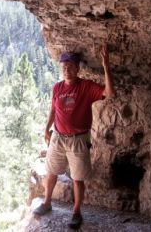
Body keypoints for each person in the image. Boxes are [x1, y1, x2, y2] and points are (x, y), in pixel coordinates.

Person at [33, 45, 115, 229]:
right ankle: (47, 202)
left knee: (77, 178)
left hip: (78, 139)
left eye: (70, 67)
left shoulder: (85, 87)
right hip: (58, 137)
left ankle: (77, 212)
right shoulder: (57, 88)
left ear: (78, 68)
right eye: (63, 67)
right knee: (52, 171)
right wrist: (47, 128)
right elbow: (53, 109)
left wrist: (106, 67)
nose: (67, 70)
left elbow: (109, 93)